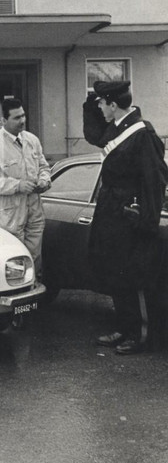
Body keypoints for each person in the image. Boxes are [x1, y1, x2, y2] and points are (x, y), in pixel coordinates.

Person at [85, 80, 167, 355]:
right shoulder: (116, 127)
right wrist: (91, 102)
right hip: (112, 211)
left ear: (113, 104)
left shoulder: (143, 134)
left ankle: (141, 335)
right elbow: (95, 133)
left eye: (102, 103)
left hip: (131, 216)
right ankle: (124, 326)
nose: (99, 107)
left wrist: (147, 222)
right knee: (116, 271)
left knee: (135, 276)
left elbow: (154, 181)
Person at [0, 98, 51, 267]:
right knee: (13, 263)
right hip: (8, 218)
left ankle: (35, 290)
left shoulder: (32, 140)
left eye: (23, 116)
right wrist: (17, 185)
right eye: (17, 118)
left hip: (34, 212)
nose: (23, 121)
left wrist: (44, 180)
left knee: (35, 260)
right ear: (3, 120)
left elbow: (44, 166)